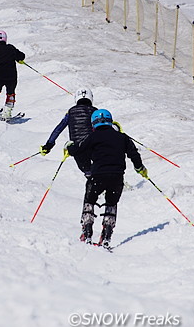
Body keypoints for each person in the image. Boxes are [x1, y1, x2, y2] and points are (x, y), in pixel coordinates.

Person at [66, 109, 147, 248]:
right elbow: (134, 154)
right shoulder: (123, 137)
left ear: (93, 123)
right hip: (117, 177)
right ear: (110, 121)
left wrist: (69, 147)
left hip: (98, 175)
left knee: (90, 199)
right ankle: (107, 234)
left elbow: (78, 150)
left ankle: (87, 230)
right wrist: (140, 169)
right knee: (111, 203)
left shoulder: (92, 137)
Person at [40, 87, 97, 176]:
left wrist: (49, 145)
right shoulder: (95, 111)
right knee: (100, 168)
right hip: (93, 146)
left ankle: (93, 184)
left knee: (87, 171)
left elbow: (58, 129)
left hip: (77, 147)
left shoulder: (71, 112)